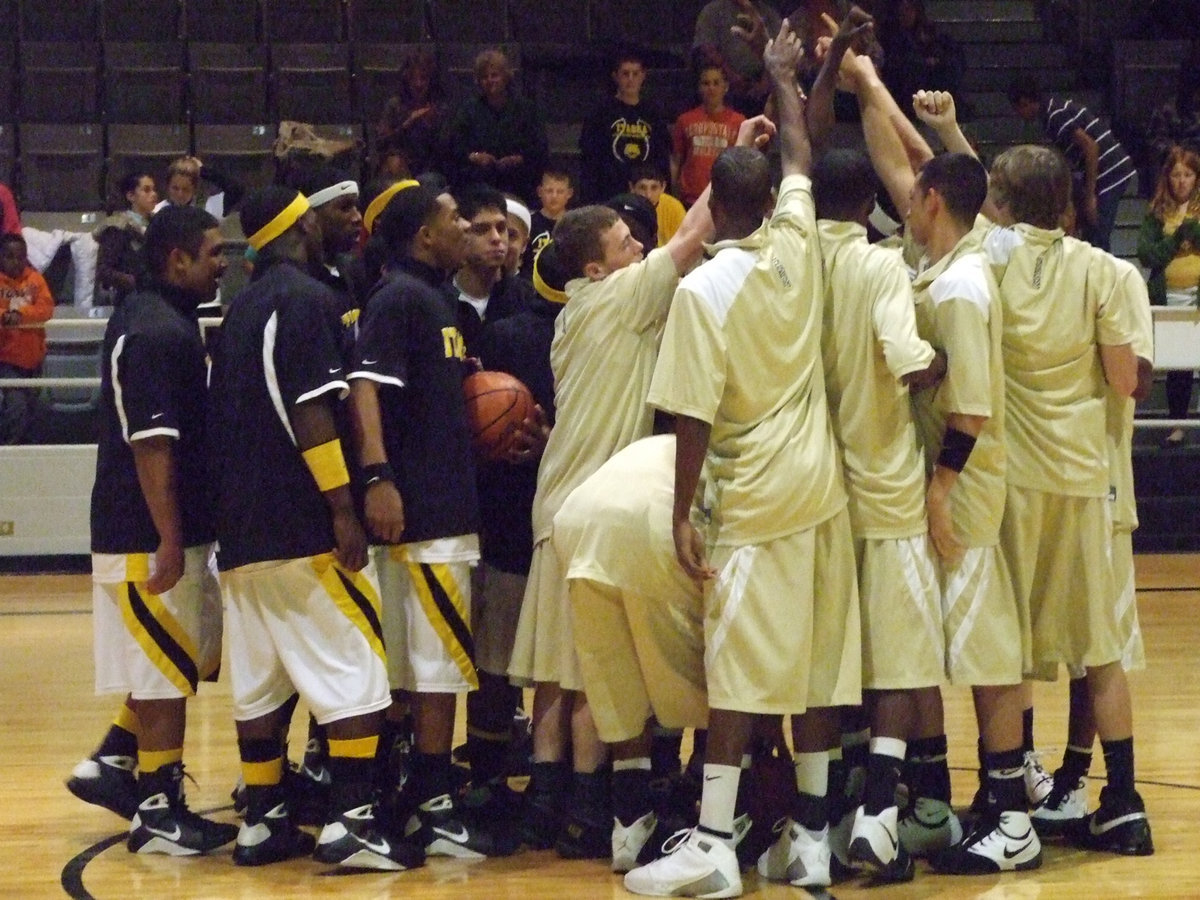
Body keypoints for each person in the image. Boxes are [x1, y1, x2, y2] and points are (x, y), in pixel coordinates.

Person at [626, 21, 861, 897]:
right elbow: (802, 142)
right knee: (815, 671)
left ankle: (716, 843)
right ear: (767, 204)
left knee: (740, 675)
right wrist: (790, 75)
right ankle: (806, 841)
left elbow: (688, 415)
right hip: (822, 489)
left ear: (714, 207)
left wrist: (684, 511)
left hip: (756, 497)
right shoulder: (799, 239)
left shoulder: (704, 289)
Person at [508, 102, 772, 860]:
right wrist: (735, 167)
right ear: (596, 268)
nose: (641, 245)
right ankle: (591, 817)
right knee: (592, 680)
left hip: (563, 503)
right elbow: (695, 236)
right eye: (628, 243)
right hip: (593, 509)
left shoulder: (580, 309)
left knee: (559, 681)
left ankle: (549, 811)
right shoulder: (622, 298)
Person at [209, 186, 418, 871]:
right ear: (298, 228)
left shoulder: (238, 309)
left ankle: (263, 823)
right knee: (353, 672)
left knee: (263, 684)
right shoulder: (305, 300)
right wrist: (341, 506)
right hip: (301, 527)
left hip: (240, 536)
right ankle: (353, 823)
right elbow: (310, 412)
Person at [984, 144, 1153, 859]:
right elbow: (1124, 380)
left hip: (1018, 481)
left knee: (1014, 645)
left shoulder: (988, 263)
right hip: (1088, 479)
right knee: (1100, 650)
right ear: (1069, 201)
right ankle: (1121, 801)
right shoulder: (1106, 272)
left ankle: (1013, 797)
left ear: (1002, 201)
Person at [348, 181, 516, 858]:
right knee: (439, 666)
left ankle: (414, 794)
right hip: (422, 516)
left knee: (425, 666)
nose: (467, 231)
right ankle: (434, 803)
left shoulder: (434, 298)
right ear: (426, 235)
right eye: (456, 222)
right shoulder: (401, 298)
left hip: (441, 510)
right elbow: (365, 388)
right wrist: (378, 478)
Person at [810, 147, 950, 883]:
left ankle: (829, 815)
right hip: (886, 483)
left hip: (816, 488)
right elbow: (903, 353)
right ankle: (879, 815)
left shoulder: (796, 265)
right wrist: (941, 362)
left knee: (837, 661)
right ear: (869, 202)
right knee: (899, 655)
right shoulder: (878, 265)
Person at [78, 205, 233, 856]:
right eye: (213, 252)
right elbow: (151, 447)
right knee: (166, 675)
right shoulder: (154, 333)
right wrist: (169, 537)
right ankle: (158, 809)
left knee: (185, 659)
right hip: (146, 533)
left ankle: (116, 759)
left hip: (164, 529)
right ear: (178, 260)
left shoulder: (162, 319)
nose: (222, 263)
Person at [554, 434, 708, 874]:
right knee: (717, 677)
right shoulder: (733, 451)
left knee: (620, 685)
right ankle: (725, 820)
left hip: (576, 518)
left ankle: (630, 823)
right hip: (648, 518)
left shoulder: (664, 443)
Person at [1008, 75, 1135, 252]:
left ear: (1024, 102)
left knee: (1098, 233)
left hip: (1110, 171)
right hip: (1108, 169)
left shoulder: (1055, 115)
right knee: (1092, 232)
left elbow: (1091, 147)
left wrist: (1090, 195)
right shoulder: (1053, 110)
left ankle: (1102, 275)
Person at [1137, 145, 1200, 444]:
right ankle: (1178, 423)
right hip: (1170, 298)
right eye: (1176, 175)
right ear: (1167, 177)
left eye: (1188, 174)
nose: (1182, 181)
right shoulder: (1156, 212)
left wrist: (1194, 233)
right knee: (1178, 367)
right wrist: (1177, 238)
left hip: (1196, 296)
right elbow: (1147, 255)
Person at [446, 48, 548, 200]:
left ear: (505, 77)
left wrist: (518, 159)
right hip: (480, 178)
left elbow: (539, 146)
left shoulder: (526, 108)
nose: (489, 81)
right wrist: (475, 157)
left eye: (494, 75)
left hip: (519, 178)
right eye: (484, 77)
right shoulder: (469, 109)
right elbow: (456, 145)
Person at [578, 49, 671, 204]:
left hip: (645, 195)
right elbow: (589, 159)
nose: (630, 79)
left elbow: (662, 159)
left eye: (635, 74)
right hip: (607, 194)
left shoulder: (654, 114)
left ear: (643, 76)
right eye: (625, 74)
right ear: (615, 76)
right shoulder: (600, 113)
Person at [0, 233, 54, 443]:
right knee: (16, 409)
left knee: (33, 411)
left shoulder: (35, 279)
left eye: (21, 257)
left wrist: (21, 315)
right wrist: (4, 316)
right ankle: (8, 453)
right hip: (6, 361)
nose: (16, 262)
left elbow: (46, 308)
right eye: (9, 256)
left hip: (34, 361)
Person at [671, 64, 747, 207]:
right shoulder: (685, 120)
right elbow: (676, 160)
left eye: (716, 83)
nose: (711, 88)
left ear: (725, 87)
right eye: (706, 83)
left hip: (724, 199)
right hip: (691, 199)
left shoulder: (739, 122)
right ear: (699, 88)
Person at [692, 0, 784, 115]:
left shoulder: (768, 14)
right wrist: (732, 77)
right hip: (725, 89)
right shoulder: (712, 11)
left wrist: (765, 82)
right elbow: (707, 50)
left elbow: (779, 50)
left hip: (762, 88)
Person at [375, 48, 447, 180]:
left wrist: (431, 126)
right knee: (394, 163)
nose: (418, 84)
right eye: (413, 79)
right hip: (401, 166)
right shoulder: (395, 105)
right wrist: (407, 124)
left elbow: (447, 149)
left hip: (430, 168)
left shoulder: (439, 106)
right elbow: (381, 143)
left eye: (423, 79)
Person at [94, 172, 158, 306]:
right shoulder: (117, 228)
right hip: (128, 300)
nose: (153, 194)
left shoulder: (158, 224)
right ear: (130, 196)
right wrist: (135, 282)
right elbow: (104, 270)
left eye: (153, 189)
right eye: (146, 190)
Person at [521, 167, 574, 277]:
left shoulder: (576, 224)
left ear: (569, 194)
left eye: (560, 192)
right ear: (540, 192)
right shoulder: (529, 223)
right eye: (549, 191)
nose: (554, 196)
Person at [157, 155, 244, 219]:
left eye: (186, 189)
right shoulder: (158, 211)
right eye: (175, 188)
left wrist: (203, 171)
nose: (180, 194)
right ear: (168, 187)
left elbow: (236, 189)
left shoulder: (208, 208)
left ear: (194, 189)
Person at [629, 162, 687, 246]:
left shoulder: (674, 208)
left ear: (663, 187)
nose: (648, 195)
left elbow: (683, 243)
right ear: (632, 187)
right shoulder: (624, 208)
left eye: (654, 188)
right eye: (642, 188)